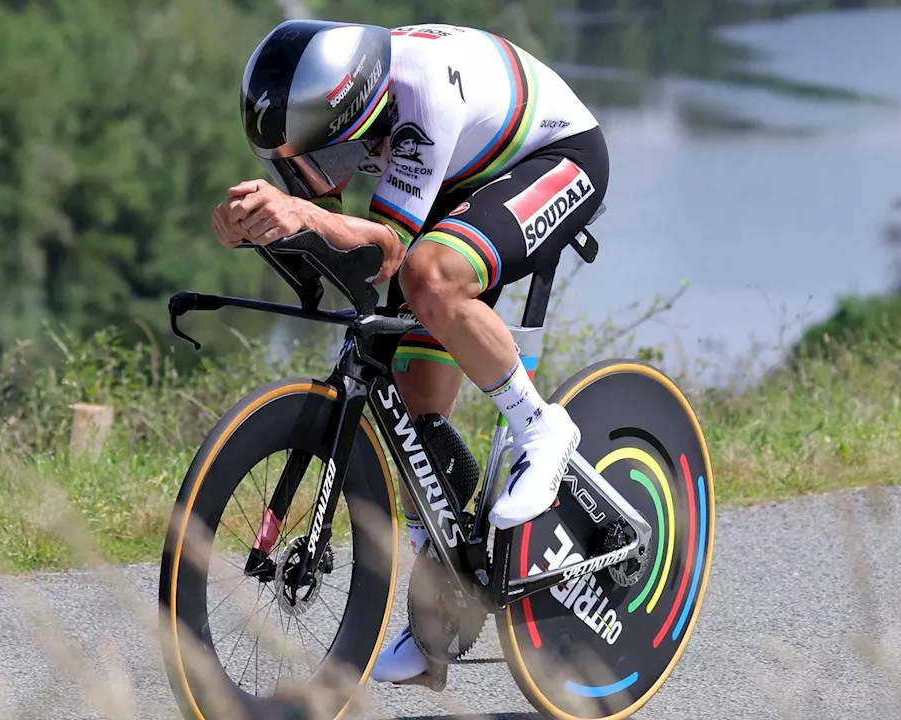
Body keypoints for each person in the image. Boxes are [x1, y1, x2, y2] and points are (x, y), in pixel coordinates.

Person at [210, 18, 609, 684]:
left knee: (429, 275)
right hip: (460, 175)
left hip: (554, 157)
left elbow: (392, 249)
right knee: (410, 411)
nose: (309, 173)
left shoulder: (422, 94)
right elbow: (341, 246)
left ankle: (542, 426)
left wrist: (304, 215)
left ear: (352, 114)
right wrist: (253, 226)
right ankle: (441, 595)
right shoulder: (336, 103)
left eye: (314, 156)